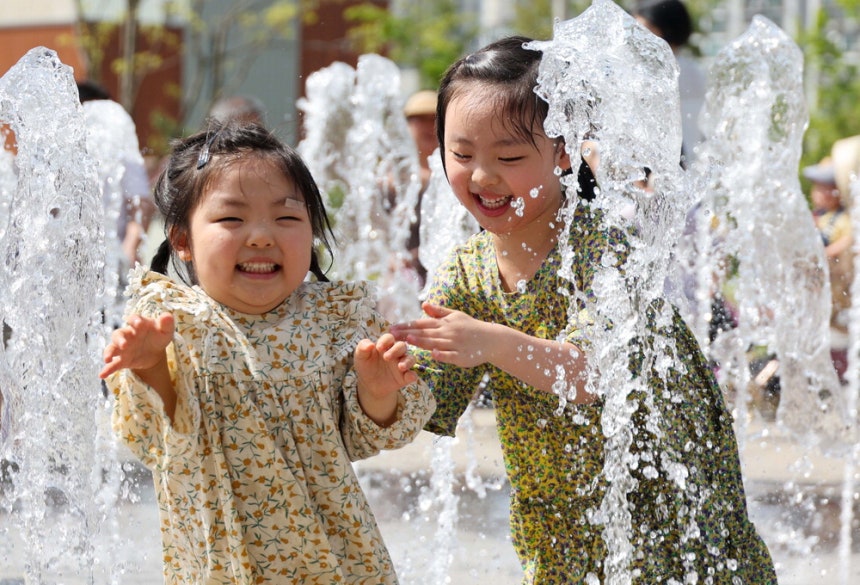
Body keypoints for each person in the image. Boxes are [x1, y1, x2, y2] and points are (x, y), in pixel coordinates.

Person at [390, 36, 776, 583]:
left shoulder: (605, 251)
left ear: (564, 150)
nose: (482, 177)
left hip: (670, 511)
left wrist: (492, 342)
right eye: (462, 155)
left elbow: (593, 372)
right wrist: (382, 387)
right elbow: (428, 403)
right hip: (559, 523)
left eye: (509, 157)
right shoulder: (467, 270)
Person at [98, 121, 435, 584]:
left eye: (287, 218)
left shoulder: (333, 319)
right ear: (182, 240)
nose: (260, 236)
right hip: (226, 562)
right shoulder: (174, 322)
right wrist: (151, 365)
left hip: (337, 560)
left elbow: (368, 438)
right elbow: (159, 440)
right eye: (231, 219)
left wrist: (377, 393)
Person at [77, 80, 154, 267]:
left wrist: (130, 247)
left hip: (110, 256)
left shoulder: (120, 155)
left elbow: (141, 203)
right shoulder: (59, 154)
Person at [633, 0, 706, 167]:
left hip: (674, 167)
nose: (637, 36)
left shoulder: (675, 71)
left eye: (644, 29)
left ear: (666, 28)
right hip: (688, 166)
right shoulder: (693, 69)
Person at [402, 89, 440, 285]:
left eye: (434, 118)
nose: (428, 126)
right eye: (420, 119)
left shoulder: (458, 176)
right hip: (405, 275)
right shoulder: (391, 180)